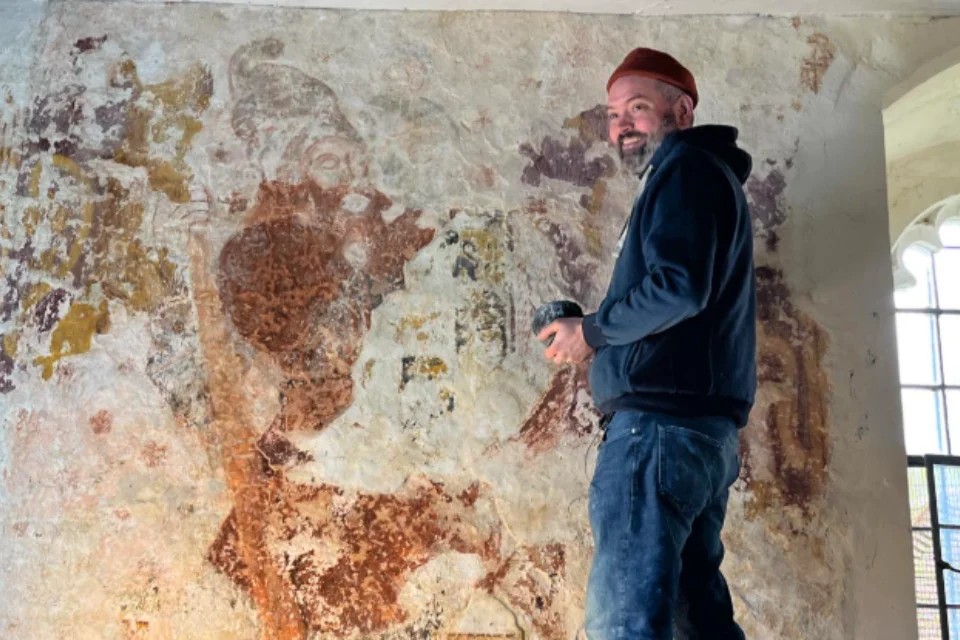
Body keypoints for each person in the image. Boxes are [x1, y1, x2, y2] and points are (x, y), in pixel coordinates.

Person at [536, 48, 756, 640]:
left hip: (657, 434)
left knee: (626, 625)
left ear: (681, 111)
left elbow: (677, 290)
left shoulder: (684, 171)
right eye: (613, 114)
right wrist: (596, 327)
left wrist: (594, 331)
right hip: (700, 437)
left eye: (638, 107)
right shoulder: (705, 177)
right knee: (697, 623)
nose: (622, 125)